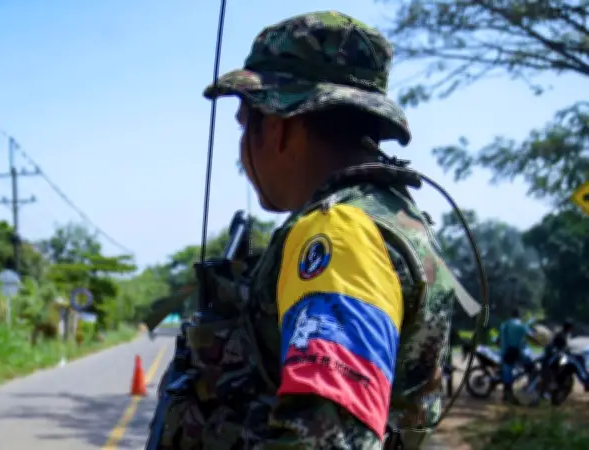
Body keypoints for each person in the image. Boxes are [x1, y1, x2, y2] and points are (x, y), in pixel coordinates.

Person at [163, 11, 458, 450]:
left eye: (245, 124)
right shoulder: (390, 214)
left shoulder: (338, 235)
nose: (243, 151)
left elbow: (324, 441)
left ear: (281, 126)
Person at [497, 309, 532, 401]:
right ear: (519, 316)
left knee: (508, 371)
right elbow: (530, 336)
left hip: (505, 351)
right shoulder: (520, 325)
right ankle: (510, 394)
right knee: (529, 366)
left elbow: (499, 339)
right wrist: (541, 342)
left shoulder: (505, 324)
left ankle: (507, 394)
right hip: (514, 351)